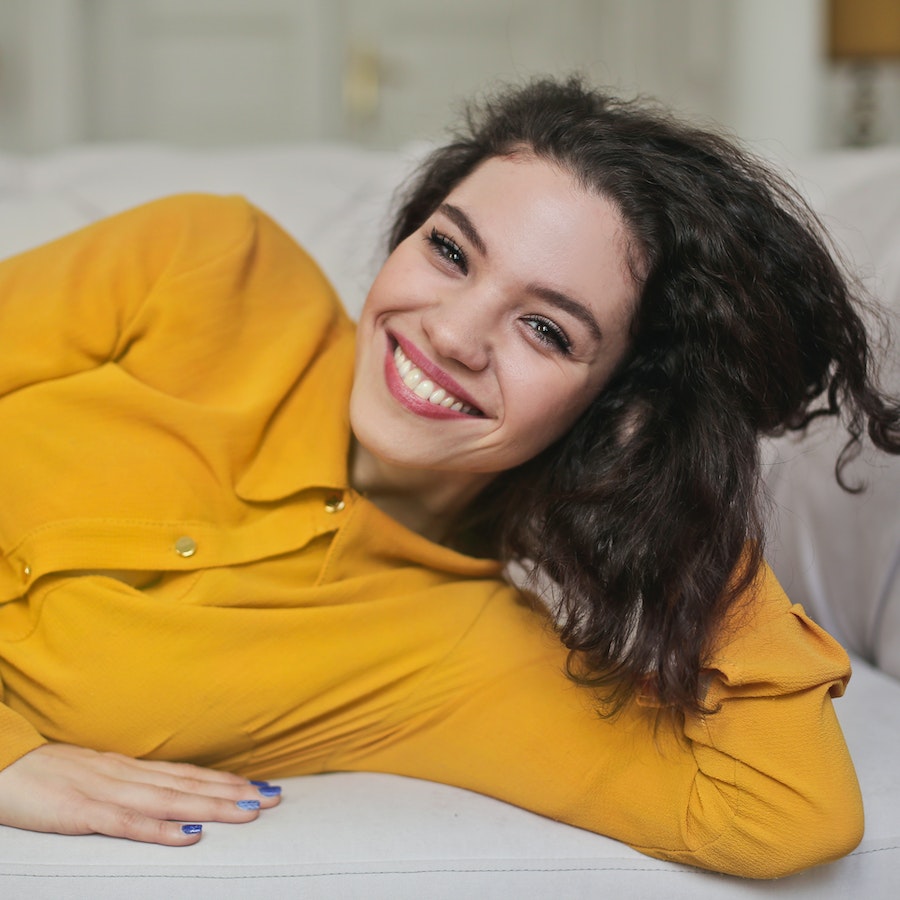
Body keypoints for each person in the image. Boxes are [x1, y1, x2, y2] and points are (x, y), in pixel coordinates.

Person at [0, 76, 897, 879]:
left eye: (548, 330)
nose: (454, 334)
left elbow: (783, 814)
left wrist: (684, 500)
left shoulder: (460, 656)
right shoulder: (205, 262)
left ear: (619, 405)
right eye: (451, 252)